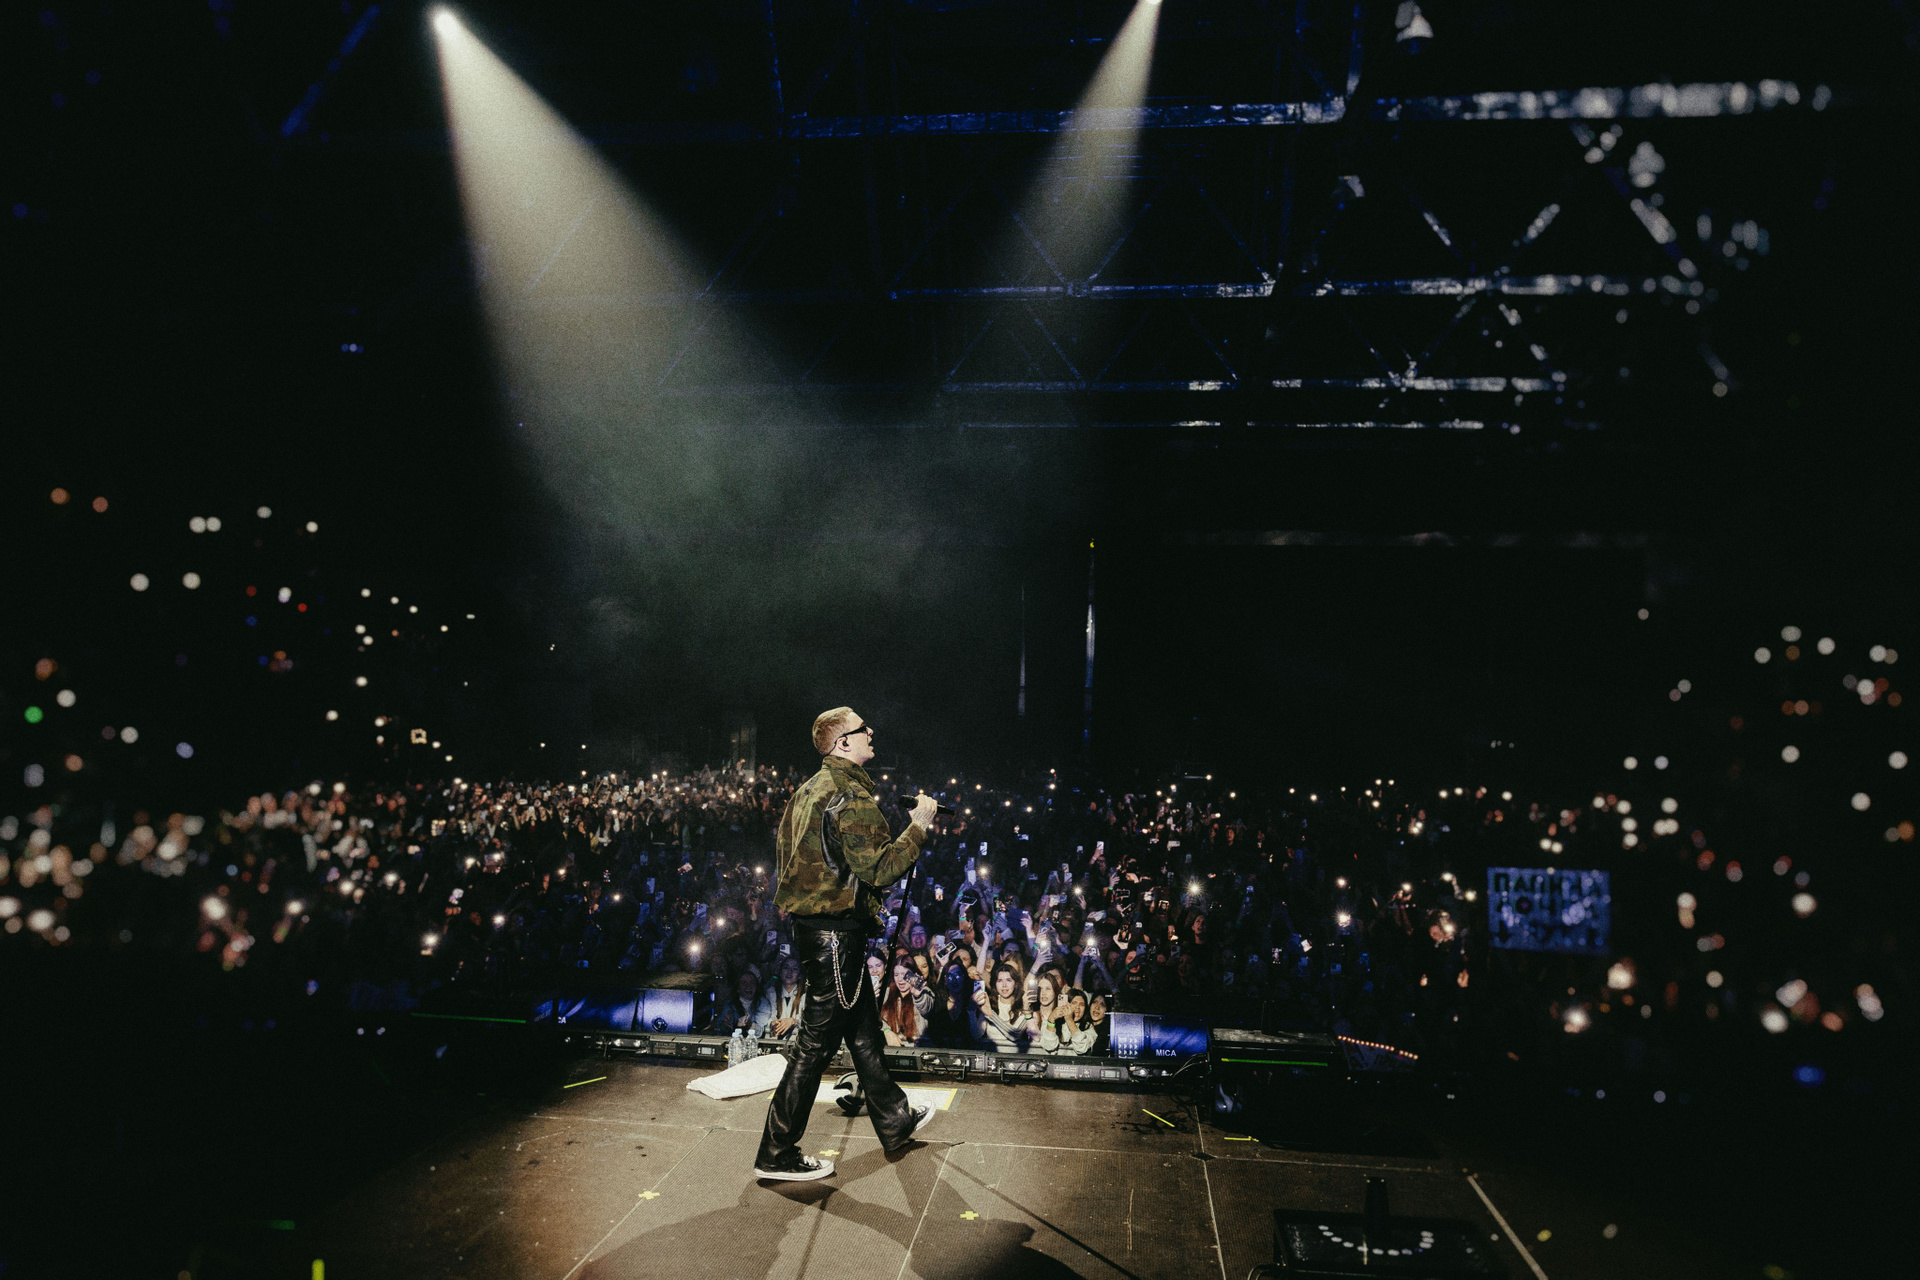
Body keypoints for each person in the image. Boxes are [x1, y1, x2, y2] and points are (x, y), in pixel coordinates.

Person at [752, 707, 939, 1182]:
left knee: (863, 1032)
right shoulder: (849, 795)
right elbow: (880, 869)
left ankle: (894, 1119)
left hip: (820, 930)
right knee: (814, 1045)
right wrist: (919, 825)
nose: (871, 732)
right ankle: (777, 1151)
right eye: (862, 730)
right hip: (836, 935)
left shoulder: (808, 790)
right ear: (842, 744)